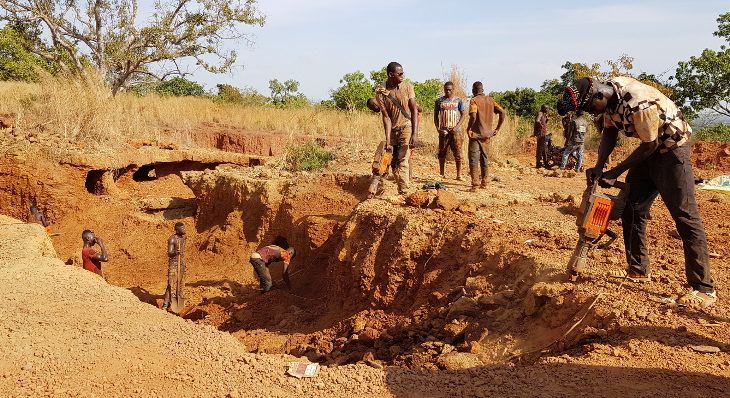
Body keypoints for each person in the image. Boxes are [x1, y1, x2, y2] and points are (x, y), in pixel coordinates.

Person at [557, 76, 717, 308]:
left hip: (672, 153)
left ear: (600, 95)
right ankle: (638, 270)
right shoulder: (609, 101)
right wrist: (600, 166)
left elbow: (650, 145)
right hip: (649, 155)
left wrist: (616, 172)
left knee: (685, 217)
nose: (593, 113)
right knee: (632, 208)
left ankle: (703, 289)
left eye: (592, 107)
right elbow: (609, 134)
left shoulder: (639, 103)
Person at [374, 61, 419, 195]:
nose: (402, 75)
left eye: (402, 73)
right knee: (390, 159)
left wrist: (415, 133)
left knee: (402, 158)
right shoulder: (381, 92)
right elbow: (386, 117)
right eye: (399, 74)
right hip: (393, 128)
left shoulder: (407, 86)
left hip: (406, 126)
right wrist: (388, 139)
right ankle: (386, 188)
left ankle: (404, 191)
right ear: (390, 74)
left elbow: (414, 109)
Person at [465, 81, 505, 191]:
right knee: (484, 158)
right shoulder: (491, 100)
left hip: (476, 135)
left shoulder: (474, 100)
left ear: (473, 90)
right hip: (487, 135)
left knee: (473, 158)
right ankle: (485, 182)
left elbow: (473, 116)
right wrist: (497, 128)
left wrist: (468, 128)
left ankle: (475, 185)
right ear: (482, 90)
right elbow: (502, 112)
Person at [434, 82, 467, 181]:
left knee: (458, 152)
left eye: (449, 89)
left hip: (455, 132)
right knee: (442, 152)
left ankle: (459, 175)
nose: (447, 91)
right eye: (446, 89)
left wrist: (457, 127)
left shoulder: (458, 101)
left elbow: (463, 114)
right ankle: (441, 173)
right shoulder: (439, 101)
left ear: (453, 90)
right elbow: (435, 116)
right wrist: (438, 129)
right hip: (443, 131)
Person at [162, 222, 186, 311]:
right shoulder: (172, 239)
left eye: (184, 228)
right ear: (177, 230)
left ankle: (178, 302)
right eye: (182, 229)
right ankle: (165, 304)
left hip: (182, 263)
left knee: (181, 283)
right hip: (174, 264)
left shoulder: (184, 238)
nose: (184, 230)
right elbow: (169, 253)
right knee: (171, 284)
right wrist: (176, 252)